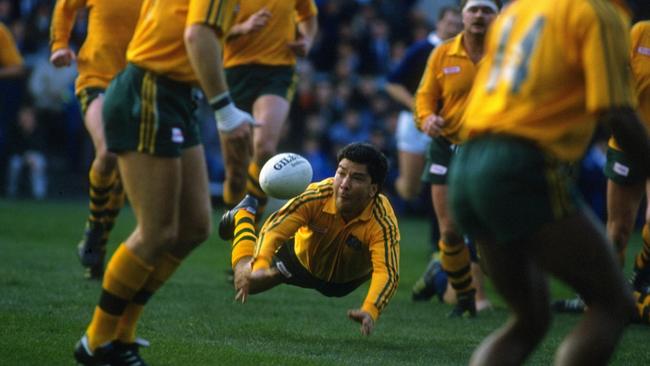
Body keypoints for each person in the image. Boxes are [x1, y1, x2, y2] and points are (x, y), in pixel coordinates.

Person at [449, 0, 645, 364]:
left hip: (469, 161)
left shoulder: (520, 9)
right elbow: (615, 110)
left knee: (530, 320)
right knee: (612, 303)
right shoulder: (598, 13)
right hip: (522, 163)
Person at [73, 0, 253, 364]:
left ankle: (121, 335)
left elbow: (180, 24)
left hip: (176, 94)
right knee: (157, 232)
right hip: (152, 90)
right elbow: (197, 34)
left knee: (194, 227)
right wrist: (227, 112)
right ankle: (96, 343)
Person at [219, 142, 399, 336]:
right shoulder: (316, 196)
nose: (344, 184)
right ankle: (244, 214)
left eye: (356, 178)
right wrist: (261, 266)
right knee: (245, 282)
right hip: (298, 261)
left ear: (373, 189)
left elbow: (387, 271)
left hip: (345, 282)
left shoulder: (382, 222)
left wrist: (370, 310)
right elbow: (275, 230)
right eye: (341, 173)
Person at [412, 0, 500, 317]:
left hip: (491, 151)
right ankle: (465, 299)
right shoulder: (443, 53)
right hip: (446, 147)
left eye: (487, 9)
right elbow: (424, 97)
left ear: (498, 15)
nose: (479, 15)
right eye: (473, 9)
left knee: (488, 232)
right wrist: (426, 118)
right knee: (449, 230)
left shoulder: (509, 53)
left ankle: (441, 277)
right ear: (462, 14)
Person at [49, 0, 143, 280]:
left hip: (139, 86)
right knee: (109, 151)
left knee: (122, 167)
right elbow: (65, 6)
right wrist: (59, 45)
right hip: (96, 78)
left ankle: (98, 244)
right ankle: (94, 227)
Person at [222, 0, 318, 218]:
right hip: (234, 72)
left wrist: (307, 39)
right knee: (235, 171)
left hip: (278, 70)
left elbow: (308, 16)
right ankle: (233, 217)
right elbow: (206, 32)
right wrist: (242, 28)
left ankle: (252, 217)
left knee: (264, 147)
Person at [385, 6, 461, 201]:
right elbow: (392, 83)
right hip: (414, 122)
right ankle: (385, 191)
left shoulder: (462, 51)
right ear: (438, 23)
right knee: (411, 188)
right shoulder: (420, 49)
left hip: (448, 123)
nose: (452, 28)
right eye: (449, 23)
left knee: (448, 179)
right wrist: (417, 106)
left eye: (457, 24)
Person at [5, 104, 47, 199]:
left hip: (34, 156)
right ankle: (11, 191)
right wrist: (25, 155)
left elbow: (42, 147)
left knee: (39, 163)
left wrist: (31, 156)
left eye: (28, 116)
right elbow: (13, 147)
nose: (26, 118)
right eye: (24, 115)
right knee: (14, 164)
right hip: (20, 156)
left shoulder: (39, 129)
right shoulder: (15, 129)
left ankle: (39, 194)